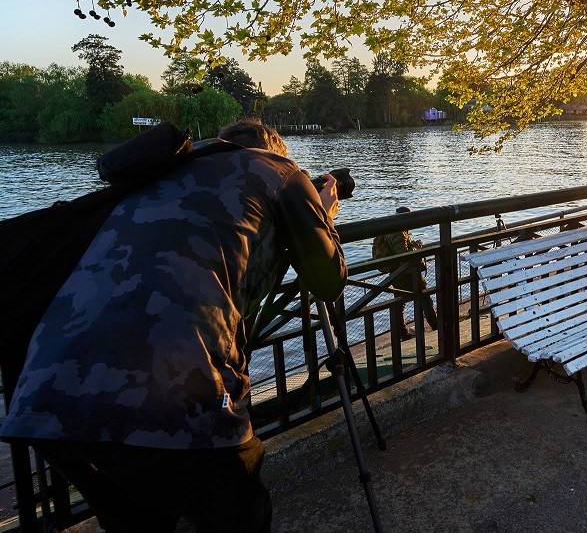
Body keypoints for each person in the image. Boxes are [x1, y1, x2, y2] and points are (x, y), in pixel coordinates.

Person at [0, 119, 346, 532]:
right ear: (275, 152)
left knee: (140, 521)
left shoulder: (159, 174)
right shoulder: (277, 170)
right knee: (240, 516)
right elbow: (327, 280)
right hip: (177, 396)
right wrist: (322, 216)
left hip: (46, 400)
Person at [372, 207, 439, 340]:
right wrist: (417, 246)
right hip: (406, 273)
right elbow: (405, 255)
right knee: (425, 300)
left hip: (396, 273)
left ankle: (402, 334)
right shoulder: (398, 232)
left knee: (399, 303)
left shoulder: (391, 228)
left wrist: (412, 244)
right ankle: (437, 328)